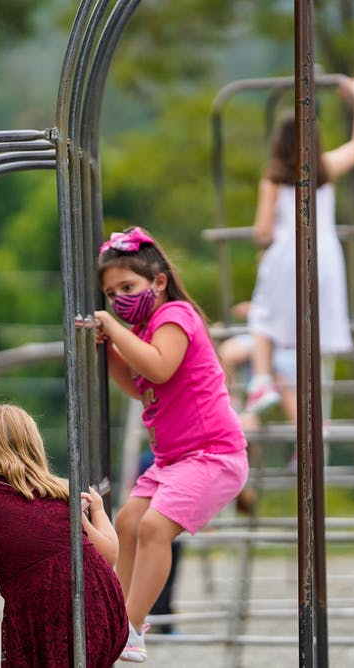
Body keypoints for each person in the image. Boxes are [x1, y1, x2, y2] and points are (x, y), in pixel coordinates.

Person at [78, 226, 249, 663]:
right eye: (111, 293)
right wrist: (111, 349)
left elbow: (159, 368)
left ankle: (130, 627)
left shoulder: (174, 316)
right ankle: (118, 614)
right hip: (173, 460)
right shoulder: (144, 328)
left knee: (155, 527)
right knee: (130, 520)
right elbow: (139, 387)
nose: (118, 299)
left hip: (213, 453)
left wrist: (115, 330)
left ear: (158, 282)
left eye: (128, 287)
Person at [0, 404, 126, 668]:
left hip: (39, 614)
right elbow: (109, 555)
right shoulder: (62, 494)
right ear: (34, 446)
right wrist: (97, 510)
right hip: (101, 609)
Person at [242, 76, 354, 416]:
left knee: (263, 316)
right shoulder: (326, 169)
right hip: (324, 254)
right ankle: (311, 398)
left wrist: (264, 245)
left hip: (286, 254)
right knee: (312, 322)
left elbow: (262, 230)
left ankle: (261, 380)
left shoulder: (272, 178)